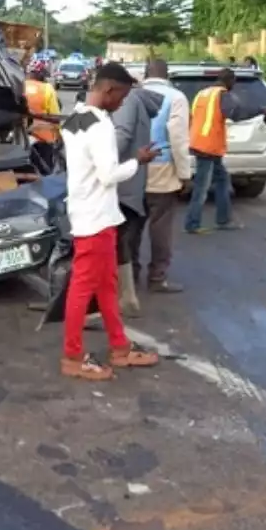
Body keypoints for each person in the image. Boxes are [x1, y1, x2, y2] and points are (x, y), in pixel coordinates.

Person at [59, 63, 160, 381]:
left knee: (106, 285)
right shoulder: (100, 125)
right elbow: (108, 174)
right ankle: (73, 356)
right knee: (83, 287)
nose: (122, 104)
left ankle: (119, 347)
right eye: (122, 96)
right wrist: (138, 161)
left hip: (89, 212)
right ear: (109, 90)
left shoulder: (76, 118)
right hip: (95, 217)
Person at [183, 68, 266, 234]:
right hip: (209, 146)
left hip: (200, 143)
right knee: (202, 187)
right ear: (230, 81)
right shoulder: (222, 95)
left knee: (222, 181)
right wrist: (262, 109)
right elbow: (236, 114)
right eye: (234, 82)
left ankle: (223, 220)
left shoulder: (202, 94)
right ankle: (192, 223)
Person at [110, 64, 166, 311]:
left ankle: (123, 297)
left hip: (121, 184)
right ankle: (127, 296)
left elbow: (120, 138)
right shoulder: (136, 101)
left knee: (119, 243)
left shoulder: (128, 102)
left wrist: (94, 161)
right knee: (125, 242)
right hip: (131, 182)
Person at [137, 59, 190, 293]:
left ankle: (129, 275)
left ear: (145, 73)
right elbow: (178, 138)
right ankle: (157, 277)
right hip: (163, 167)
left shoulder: (133, 95)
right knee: (161, 227)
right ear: (167, 74)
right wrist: (185, 173)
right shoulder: (176, 97)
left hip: (134, 167)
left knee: (132, 226)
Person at [25, 61, 62, 171]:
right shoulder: (46, 89)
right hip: (43, 139)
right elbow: (55, 116)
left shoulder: (18, 85)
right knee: (45, 172)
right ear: (41, 74)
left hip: (20, 138)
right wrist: (59, 135)